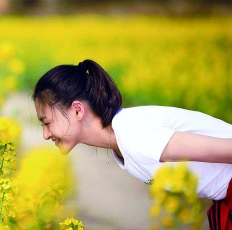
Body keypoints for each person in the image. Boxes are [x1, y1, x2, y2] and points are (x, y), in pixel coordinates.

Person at [32, 59, 232, 229]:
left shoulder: (135, 133)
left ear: (77, 110)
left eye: (47, 122)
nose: (45, 134)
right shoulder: (122, 140)